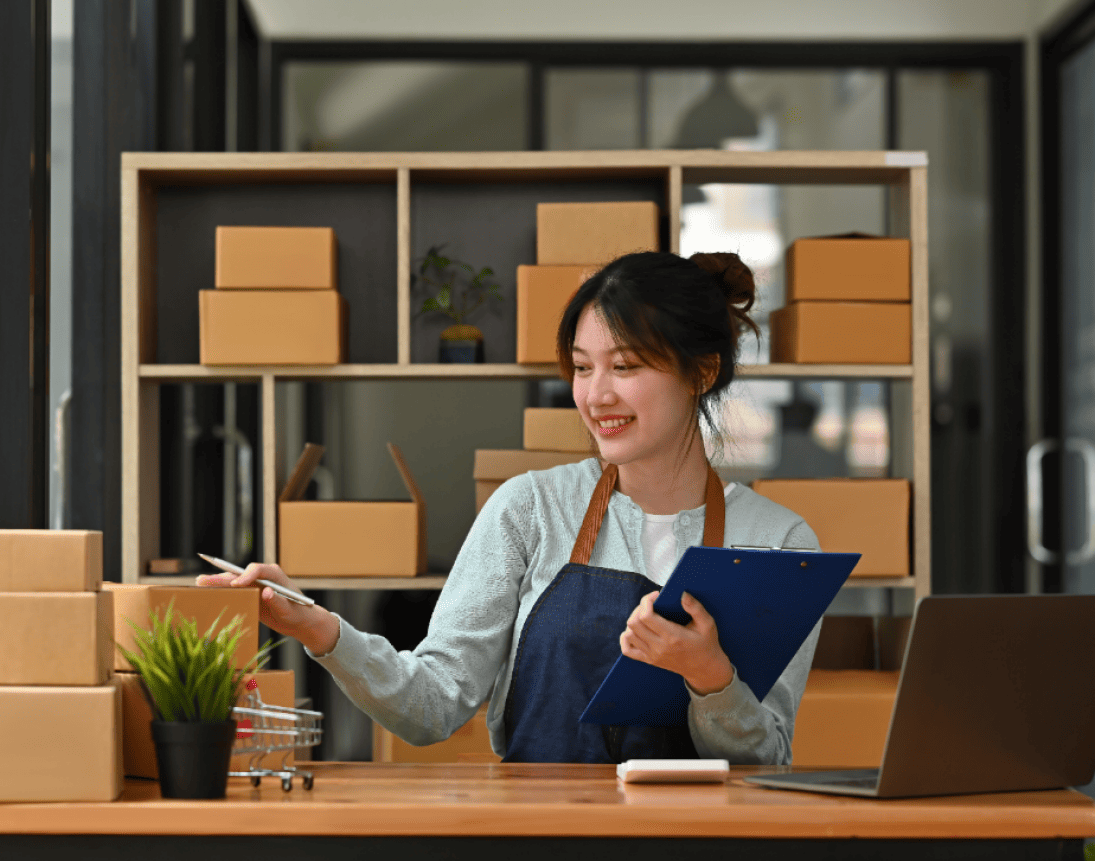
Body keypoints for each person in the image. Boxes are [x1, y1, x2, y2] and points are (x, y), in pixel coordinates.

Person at [199, 249, 821, 764]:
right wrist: (318, 628)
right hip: (539, 842)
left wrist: (710, 675)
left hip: (703, 852)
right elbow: (433, 705)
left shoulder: (779, 544)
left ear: (701, 372)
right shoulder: (531, 510)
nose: (596, 394)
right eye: (582, 368)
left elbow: (767, 757)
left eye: (626, 366)